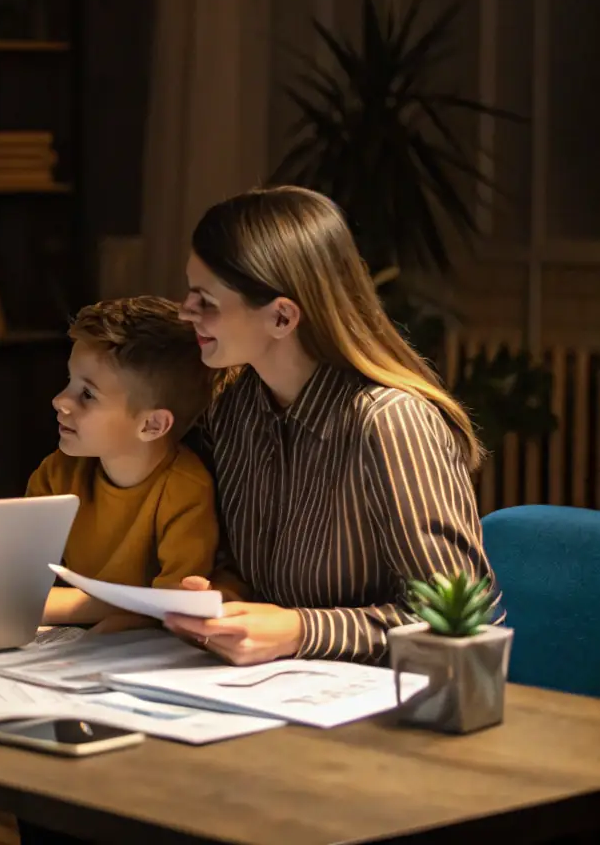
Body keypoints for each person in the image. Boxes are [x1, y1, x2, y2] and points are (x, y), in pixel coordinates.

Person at [165, 185, 498, 666]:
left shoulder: (389, 422)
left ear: (282, 317)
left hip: (375, 708)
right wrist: (221, 594)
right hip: (265, 691)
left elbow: (466, 624)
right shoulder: (233, 408)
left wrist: (302, 630)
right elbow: (244, 564)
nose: (185, 312)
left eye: (207, 301)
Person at [27, 296, 219, 629]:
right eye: (69, 382)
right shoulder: (56, 474)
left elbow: (174, 604)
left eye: (87, 394)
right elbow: (16, 584)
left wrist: (61, 606)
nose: (60, 401)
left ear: (152, 425)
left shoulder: (185, 490)